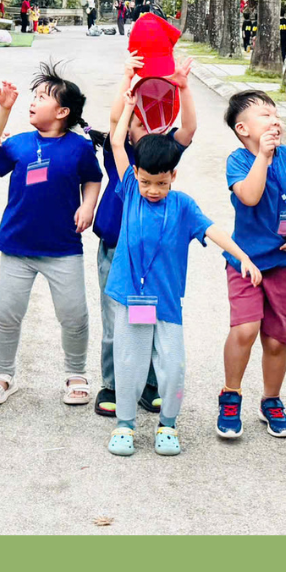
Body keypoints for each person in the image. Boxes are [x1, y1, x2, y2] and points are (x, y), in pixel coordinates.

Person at [103, 87, 260, 457]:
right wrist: (128, 106)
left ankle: (167, 425)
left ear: (173, 175)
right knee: (129, 362)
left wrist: (243, 257)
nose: (152, 190)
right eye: (146, 181)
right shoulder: (129, 190)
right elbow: (116, 143)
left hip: (167, 302)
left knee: (172, 365)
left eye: (161, 183)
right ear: (135, 174)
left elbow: (213, 230)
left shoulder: (183, 205)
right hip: (131, 298)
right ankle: (125, 425)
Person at [0, 62, 103, 406]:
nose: (33, 102)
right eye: (33, 96)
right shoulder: (17, 143)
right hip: (17, 247)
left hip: (63, 248)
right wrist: (2, 112)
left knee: (74, 316)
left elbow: (93, 178)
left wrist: (88, 206)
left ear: (62, 112)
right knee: (6, 314)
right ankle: (3, 374)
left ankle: (76, 374)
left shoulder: (79, 147)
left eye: (42, 97)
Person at [91, 51, 198, 418]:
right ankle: (113, 384)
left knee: (150, 322)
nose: (147, 125)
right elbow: (115, 124)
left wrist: (184, 89)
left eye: (153, 119)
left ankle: (149, 385)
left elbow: (189, 130)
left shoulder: (164, 153)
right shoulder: (120, 153)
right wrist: (127, 83)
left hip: (154, 260)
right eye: (139, 120)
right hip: (115, 249)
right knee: (115, 324)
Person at [218, 90, 286, 439]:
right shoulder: (238, 161)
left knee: (276, 340)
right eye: (265, 115)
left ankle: (271, 400)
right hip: (246, 262)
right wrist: (263, 155)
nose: (275, 120)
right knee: (245, 330)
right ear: (242, 128)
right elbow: (249, 196)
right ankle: (231, 395)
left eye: (276, 114)